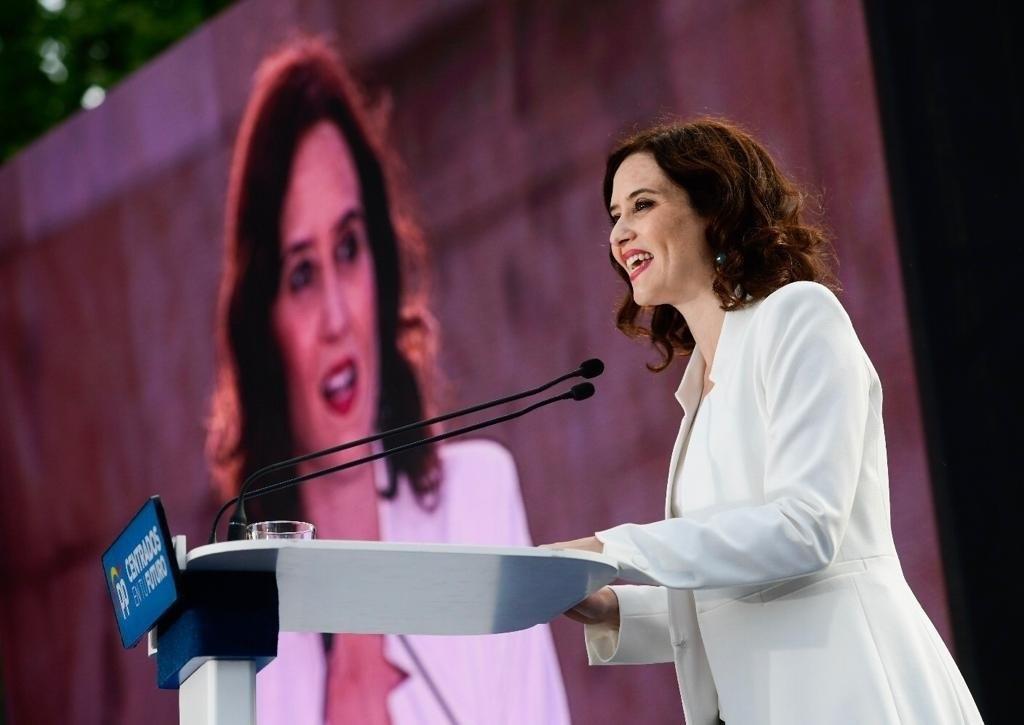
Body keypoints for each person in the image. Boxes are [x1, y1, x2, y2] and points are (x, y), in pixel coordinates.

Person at [548, 119, 982, 724]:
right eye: (614, 215)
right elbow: (737, 598)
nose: (621, 234)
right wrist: (610, 608)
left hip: (854, 690)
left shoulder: (800, 316)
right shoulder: (698, 391)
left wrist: (611, 547)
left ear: (713, 208)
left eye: (642, 205)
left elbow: (805, 530)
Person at [207, 37, 569, 725]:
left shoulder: (479, 501)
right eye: (302, 274)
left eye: (349, 248)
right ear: (264, 321)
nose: (338, 316)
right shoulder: (238, 612)